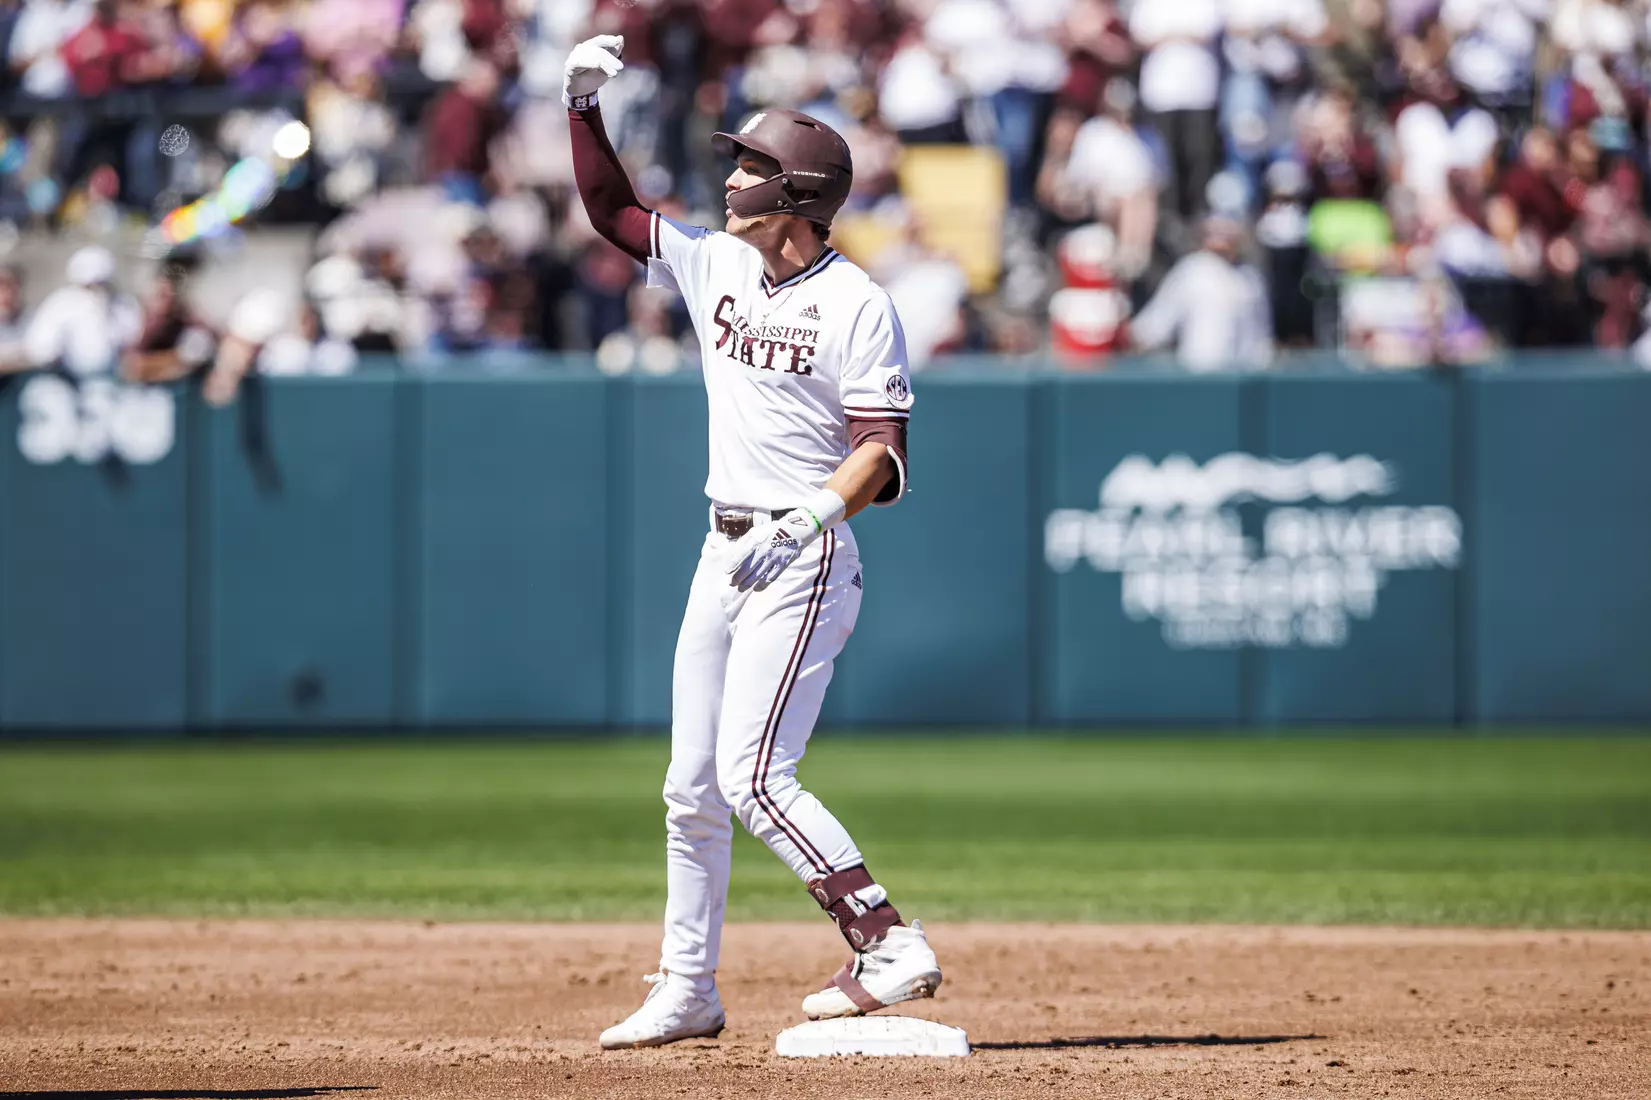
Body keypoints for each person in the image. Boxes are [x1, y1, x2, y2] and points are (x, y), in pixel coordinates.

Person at [563, 34, 938, 1050]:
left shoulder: (856, 303)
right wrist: (582, 109)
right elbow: (609, 212)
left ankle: (887, 941)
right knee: (689, 784)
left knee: (756, 774)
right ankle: (688, 986)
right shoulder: (716, 260)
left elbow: (880, 454)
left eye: (752, 167)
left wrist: (806, 520)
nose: (731, 178)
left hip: (804, 558)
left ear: (800, 193)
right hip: (720, 548)